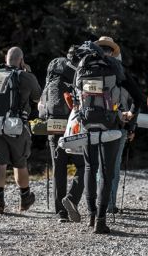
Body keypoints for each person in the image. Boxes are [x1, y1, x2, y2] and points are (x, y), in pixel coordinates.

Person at [80, 36, 144, 234]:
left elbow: (75, 94)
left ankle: (91, 214)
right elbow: (138, 97)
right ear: (112, 52)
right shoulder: (116, 67)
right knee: (107, 172)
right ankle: (101, 220)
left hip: (87, 124)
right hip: (110, 125)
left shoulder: (83, 65)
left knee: (90, 167)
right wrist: (130, 115)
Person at [0, 47, 42, 214]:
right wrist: (29, 74)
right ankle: (25, 199)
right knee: (19, 163)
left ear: (6, 59)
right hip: (15, 126)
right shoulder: (26, 76)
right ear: (21, 60)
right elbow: (38, 97)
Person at [38, 47, 85, 223]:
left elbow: (42, 101)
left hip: (53, 124)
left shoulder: (54, 70)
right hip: (73, 125)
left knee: (59, 167)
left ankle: (61, 212)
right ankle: (72, 198)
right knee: (83, 165)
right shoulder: (81, 71)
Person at [96, 44, 136, 215]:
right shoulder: (120, 72)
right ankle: (110, 204)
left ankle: (98, 204)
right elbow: (134, 100)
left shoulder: (90, 70)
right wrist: (132, 126)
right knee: (114, 165)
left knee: (98, 165)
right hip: (119, 125)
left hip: (94, 123)